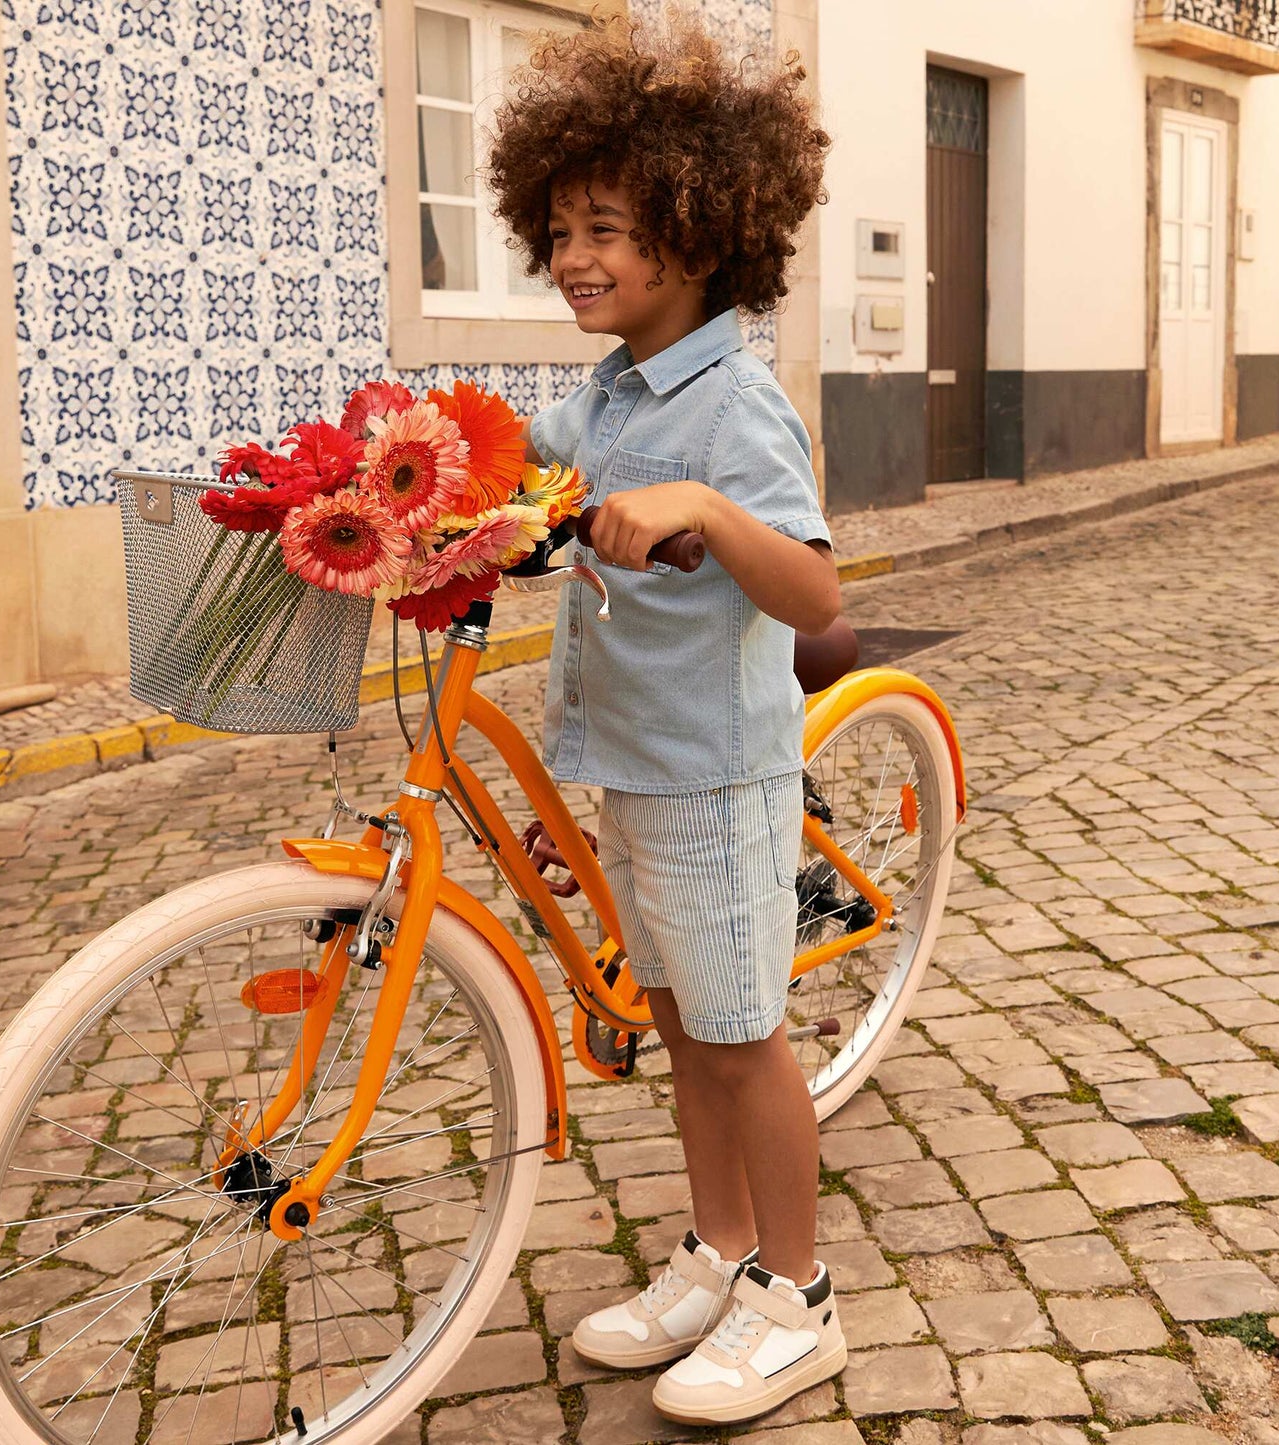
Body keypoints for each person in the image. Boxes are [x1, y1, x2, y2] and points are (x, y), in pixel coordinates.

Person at [485, 15, 846, 1428]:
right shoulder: (609, 390)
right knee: (687, 1026)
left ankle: (800, 1296)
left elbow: (811, 585)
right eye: (561, 226)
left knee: (745, 1034)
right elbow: (533, 464)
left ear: (696, 239)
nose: (574, 256)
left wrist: (701, 506)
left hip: (709, 773)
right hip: (626, 763)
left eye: (608, 229)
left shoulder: (734, 406)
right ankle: (718, 1251)